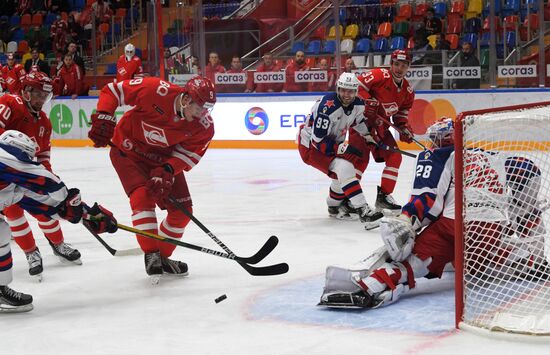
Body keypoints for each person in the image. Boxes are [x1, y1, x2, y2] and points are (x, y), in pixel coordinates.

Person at [88, 75, 216, 282]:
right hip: (127, 151)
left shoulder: (204, 126)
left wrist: (167, 169)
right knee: (142, 198)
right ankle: (151, 254)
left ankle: (163, 257)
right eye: (200, 107)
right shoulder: (155, 89)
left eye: (207, 109)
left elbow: (187, 154)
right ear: (186, 100)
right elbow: (113, 91)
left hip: (161, 161)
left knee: (183, 212)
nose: (203, 113)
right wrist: (104, 115)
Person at [0, 130, 117, 313]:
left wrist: (91, 216)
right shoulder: (6, 156)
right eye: (25, 156)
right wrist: (66, 196)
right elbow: (46, 180)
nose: (28, 160)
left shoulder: (10, 183)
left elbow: (47, 205)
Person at [0, 71, 84, 280]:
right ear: (26, 92)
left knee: (47, 209)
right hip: (4, 176)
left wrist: (49, 178)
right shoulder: (10, 104)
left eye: (44, 96)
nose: (40, 100)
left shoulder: (44, 123)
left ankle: (58, 244)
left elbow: (43, 156)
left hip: (28, 176)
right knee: (14, 214)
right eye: (37, 94)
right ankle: (31, 253)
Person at [297, 73, 384, 230]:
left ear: (356, 91)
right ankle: (363, 210)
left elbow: (357, 121)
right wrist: (340, 148)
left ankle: (334, 206)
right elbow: (317, 141)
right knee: (345, 167)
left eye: (350, 91)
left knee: (341, 173)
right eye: (343, 90)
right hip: (309, 146)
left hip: (327, 142)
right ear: (338, 88)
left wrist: (367, 135)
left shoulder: (358, 104)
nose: (346, 95)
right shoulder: (327, 108)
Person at [352, 49, 415, 215]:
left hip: (380, 129)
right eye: (396, 64)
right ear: (391, 64)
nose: (399, 68)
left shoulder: (408, 91)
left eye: (403, 65)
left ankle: (384, 196)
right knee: (360, 162)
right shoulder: (379, 75)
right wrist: (369, 100)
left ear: (408, 67)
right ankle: (348, 198)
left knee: (395, 156)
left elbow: (401, 114)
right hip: (361, 125)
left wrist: (403, 128)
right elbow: (355, 85)